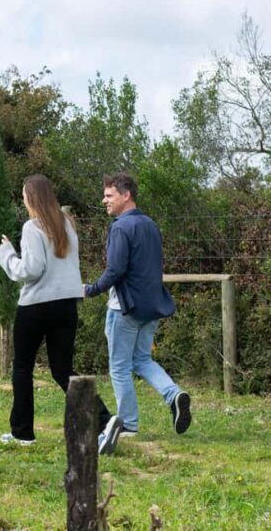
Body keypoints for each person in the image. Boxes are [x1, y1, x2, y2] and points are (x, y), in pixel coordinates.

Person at [0, 174, 123, 455]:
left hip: (37, 305)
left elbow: (30, 270)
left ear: (31, 197)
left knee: (22, 367)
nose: (23, 200)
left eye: (24, 195)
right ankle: (105, 420)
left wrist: (6, 254)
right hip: (67, 304)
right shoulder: (67, 224)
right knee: (63, 369)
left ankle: (22, 432)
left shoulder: (32, 227)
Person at [84, 172, 191, 438]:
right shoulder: (150, 225)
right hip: (151, 305)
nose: (104, 200)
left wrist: (90, 289)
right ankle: (173, 394)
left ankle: (128, 425)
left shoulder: (121, 227)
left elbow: (115, 270)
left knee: (119, 366)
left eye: (109, 195)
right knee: (141, 359)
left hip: (125, 308)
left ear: (125, 194)